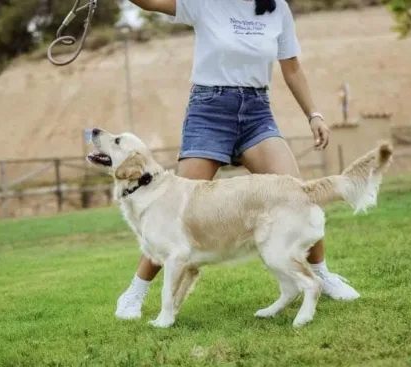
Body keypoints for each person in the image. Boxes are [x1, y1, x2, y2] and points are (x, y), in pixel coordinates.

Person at [117, 0, 360, 319]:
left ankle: (322, 275)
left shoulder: (277, 9)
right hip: (209, 111)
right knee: (172, 210)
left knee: (297, 195)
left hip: (257, 113)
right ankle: (135, 292)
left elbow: (292, 68)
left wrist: (313, 114)